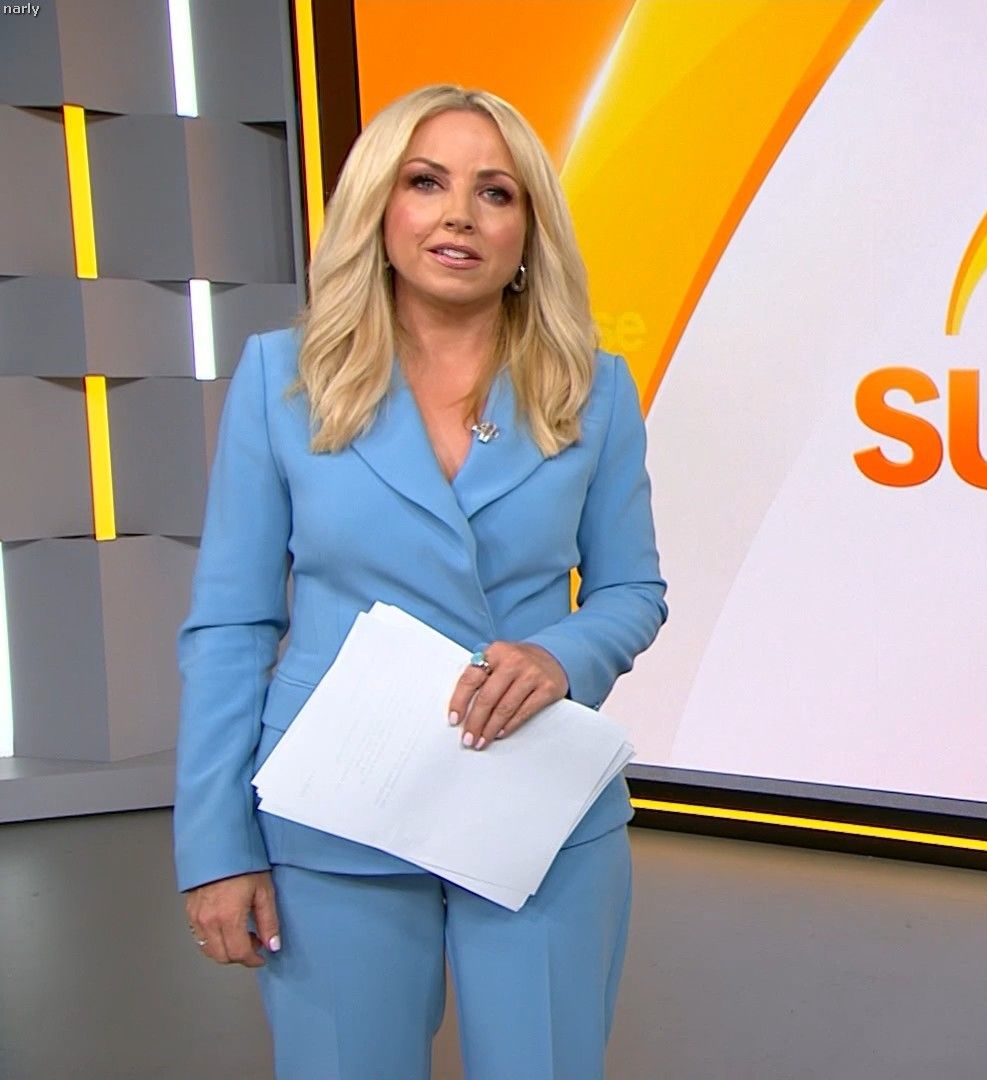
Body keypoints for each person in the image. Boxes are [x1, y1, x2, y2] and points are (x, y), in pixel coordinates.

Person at [172, 83, 668, 1080]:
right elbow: (230, 625)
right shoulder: (281, 380)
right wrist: (216, 844)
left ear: (527, 231)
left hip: (537, 810)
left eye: (496, 192)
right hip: (334, 812)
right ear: (378, 208)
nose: (459, 216)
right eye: (426, 182)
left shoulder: (595, 387)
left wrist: (561, 657)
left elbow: (631, 591)